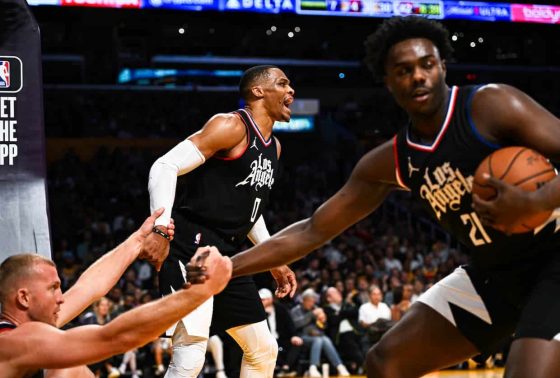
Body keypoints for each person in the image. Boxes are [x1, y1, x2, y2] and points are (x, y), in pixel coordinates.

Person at [226, 16, 560, 378]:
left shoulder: (490, 105)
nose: (418, 76)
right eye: (403, 70)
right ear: (388, 82)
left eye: (427, 65)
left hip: (554, 256)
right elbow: (311, 230)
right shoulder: (392, 160)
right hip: (495, 273)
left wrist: (537, 202)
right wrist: (229, 268)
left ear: (443, 67)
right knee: (386, 364)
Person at [141, 65, 297, 378]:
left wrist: (272, 257)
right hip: (190, 246)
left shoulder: (275, 148)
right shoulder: (231, 126)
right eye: (282, 84)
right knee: (190, 355)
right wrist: (160, 227)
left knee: (263, 348)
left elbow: (247, 210)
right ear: (257, 91)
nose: (291, 91)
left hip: (227, 254)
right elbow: (165, 165)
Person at [0, 209, 231, 378]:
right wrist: (199, 293)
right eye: (53, 289)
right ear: (23, 298)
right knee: (68, 369)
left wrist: (137, 242)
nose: (61, 297)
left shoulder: (26, 327)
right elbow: (115, 338)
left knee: (69, 369)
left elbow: (87, 288)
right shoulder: (13, 341)